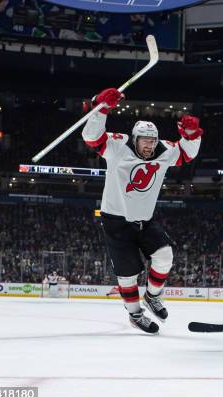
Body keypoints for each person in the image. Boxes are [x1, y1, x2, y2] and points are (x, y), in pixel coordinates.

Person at [82, 88, 202, 334]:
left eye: (152, 141)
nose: (149, 145)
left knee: (165, 255)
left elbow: (188, 153)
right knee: (127, 275)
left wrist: (191, 135)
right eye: (144, 140)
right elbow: (91, 137)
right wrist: (101, 107)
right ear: (134, 138)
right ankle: (135, 314)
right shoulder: (117, 146)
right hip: (116, 220)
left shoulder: (164, 151)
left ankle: (153, 296)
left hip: (144, 221)